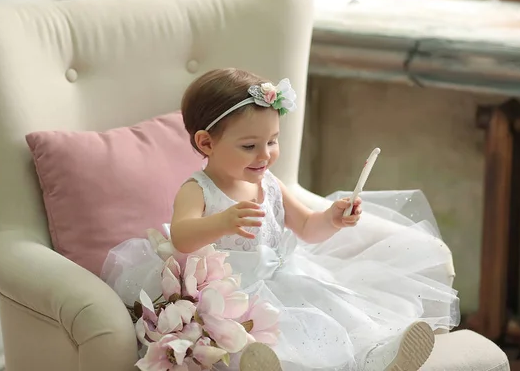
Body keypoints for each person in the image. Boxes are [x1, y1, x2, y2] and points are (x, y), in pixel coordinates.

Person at [102, 68, 460, 371]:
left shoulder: (270, 184)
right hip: (229, 293)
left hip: (284, 280)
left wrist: (332, 219)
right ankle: (259, 362)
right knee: (250, 332)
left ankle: (378, 357)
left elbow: (306, 227)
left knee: (333, 315)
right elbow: (181, 236)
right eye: (249, 146)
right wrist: (221, 222)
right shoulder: (199, 190)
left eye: (273, 141)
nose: (266, 155)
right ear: (206, 143)